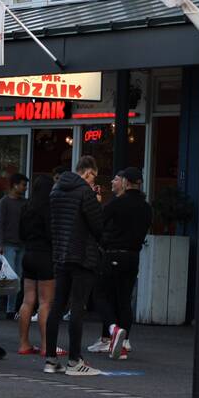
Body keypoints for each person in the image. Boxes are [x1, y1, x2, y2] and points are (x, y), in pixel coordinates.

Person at [44, 155, 104, 376]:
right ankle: (74, 361)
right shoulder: (85, 193)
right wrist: (97, 203)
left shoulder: (56, 190)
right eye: (93, 176)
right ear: (87, 172)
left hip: (60, 254)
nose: (93, 181)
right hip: (82, 255)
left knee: (57, 305)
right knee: (78, 306)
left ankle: (50, 359)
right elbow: (97, 226)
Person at [88, 167, 151, 360]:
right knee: (124, 298)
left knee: (100, 294)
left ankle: (113, 330)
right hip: (133, 256)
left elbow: (98, 224)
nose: (113, 182)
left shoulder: (117, 204)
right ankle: (122, 342)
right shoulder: (147, 207)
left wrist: (103, 242)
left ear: (125, 182)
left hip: (113, 254)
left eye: (117, 179)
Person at [16, 176, 64, 357]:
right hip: (45, 256)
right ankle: (46, 346)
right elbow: (52, 235)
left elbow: (20, 234)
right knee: (45, 303)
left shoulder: (26, 208)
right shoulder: (50, 209)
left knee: (27, 301)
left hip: (28, 255)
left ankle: (23, 343)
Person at [0, 172, 28, 320]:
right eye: (23, 185)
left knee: (15, 277)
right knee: (9, 276)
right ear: (15, 185)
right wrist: (0, 244)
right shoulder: (4, 202)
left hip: (20, 244)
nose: (25, 188)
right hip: (9, 244)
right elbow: (0, 225)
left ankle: (9, 309)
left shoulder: (24, 202)